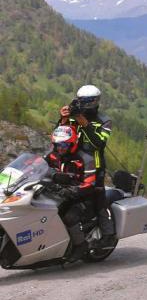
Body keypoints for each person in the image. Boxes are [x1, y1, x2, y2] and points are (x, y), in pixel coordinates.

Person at [57, 85, 114, 239]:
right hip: (72, 164)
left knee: (98, 200)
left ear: (95, 101)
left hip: (94, 166)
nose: (82, 103)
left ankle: (108, 236)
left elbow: (99, 143)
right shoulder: (73, 116)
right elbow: (60, 137)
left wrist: (84, 123)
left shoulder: (104, 120)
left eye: (87, 100)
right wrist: (63, 118)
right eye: (81, 100)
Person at [44, 125, 98, 253]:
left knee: (69, 217)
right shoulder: (53, 155)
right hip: (60, 193)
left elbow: (91, 183)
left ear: (72, 144)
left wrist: (73, 191)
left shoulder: (85, 159)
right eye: (57, 145)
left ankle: (80, 246)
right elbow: (37, 165)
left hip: (83, 197)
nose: (60, 148)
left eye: (64, 145)